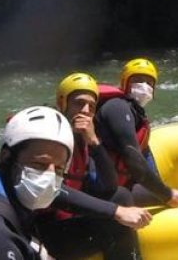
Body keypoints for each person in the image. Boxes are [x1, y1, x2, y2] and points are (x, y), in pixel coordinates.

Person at [0, 105, 149, 260]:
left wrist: (115, 211)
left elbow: (66, 193)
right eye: (39, 164)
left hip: (29, 237)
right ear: (6, 156)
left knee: (120, 198)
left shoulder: (2, 194)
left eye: (58, 169)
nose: (48, 177)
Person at [36, 72, 152, 260]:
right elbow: (51, 190)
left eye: (91, 106)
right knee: (115, 223)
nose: (85, 110)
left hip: (67, 218)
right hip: (43, 229)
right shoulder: (47, 137)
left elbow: (110, 186)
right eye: (78, 103)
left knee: (121, 194)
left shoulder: (84, 139)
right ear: (62, 103)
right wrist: (116, 212)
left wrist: (94, 142)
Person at [94, 57, 178, 208]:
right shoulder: (117, 108)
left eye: (149, 83)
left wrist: (161, 188)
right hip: (101, 188)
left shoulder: (136, 114)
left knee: (162, 192)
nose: (144, 86)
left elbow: (143, 155)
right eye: (137, 80)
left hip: (119, 180)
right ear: (124, 83)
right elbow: (134, 161)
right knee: (165, 198)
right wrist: (167, 195)